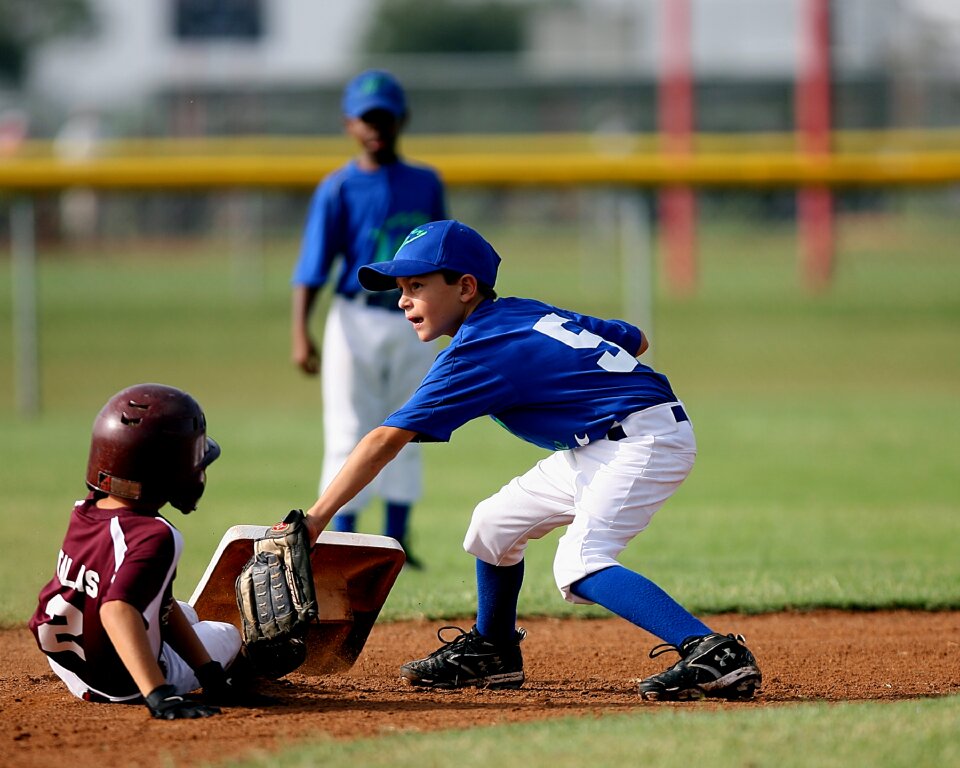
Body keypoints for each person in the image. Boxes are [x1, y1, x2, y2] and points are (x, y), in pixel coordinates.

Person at [298, 219, 762, 701]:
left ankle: (711, 651)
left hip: (642, 441)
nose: (403, 301)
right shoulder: (520, 313)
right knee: (493, 525)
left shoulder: (476, 350)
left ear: (465, 287)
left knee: (580, 563)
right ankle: (493, 650)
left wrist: (316, 518)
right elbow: (636, 339)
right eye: (400, 288)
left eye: (417, 285)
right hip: (602, 442)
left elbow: (383, 440)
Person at [291, 69, 446, 568]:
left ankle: (397, 543)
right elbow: (313, 265)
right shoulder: (338, 188)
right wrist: (301, 331)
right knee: (348, 428)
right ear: (349, 124)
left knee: (411, 424)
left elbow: (443, 257)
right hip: (354, 317)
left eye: (383, 117)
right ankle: (343, 541)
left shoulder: (425, 183)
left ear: (403, 119)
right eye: (366, 119)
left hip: (415, 318)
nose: (375, 127)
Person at [29, 383, 250, 719]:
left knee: (186, 612)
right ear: (167, 472)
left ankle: (181, 668)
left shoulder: (87, 509)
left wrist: (210, 676)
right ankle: (160, 681)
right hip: (123, 683)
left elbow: (154, 603)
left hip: (69, 665)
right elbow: (116, 610)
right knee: (227, 634)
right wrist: (159, 694)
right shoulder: (156, 535)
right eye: (194, 461)